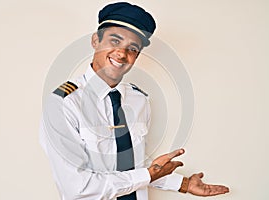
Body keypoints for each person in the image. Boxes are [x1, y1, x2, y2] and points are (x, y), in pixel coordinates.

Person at [39, 2, 229, 200]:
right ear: (95, 40)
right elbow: (77, 188)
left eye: (132, 48)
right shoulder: (63, 104)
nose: (122, 54)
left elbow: (132, 166)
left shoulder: (139, 100)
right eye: (115, 41)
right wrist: (148, 175)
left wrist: (183, 184)